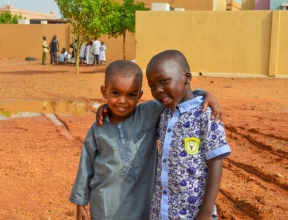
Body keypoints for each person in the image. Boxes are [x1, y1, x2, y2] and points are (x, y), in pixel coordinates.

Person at [70, 59, 222, 220]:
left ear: (139, 96)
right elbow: (85, 167)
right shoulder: (98, 128)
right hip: (104, 206)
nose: (122, 101)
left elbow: (177, 94)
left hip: (142, 206)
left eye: (130, 95)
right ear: (103, 92)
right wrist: (80, 203)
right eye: (115, 93)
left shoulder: (147, 113)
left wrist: (205, 94)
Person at [145, 50, 231, 220]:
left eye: (163, 81)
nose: (158, 90)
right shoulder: (164, 113)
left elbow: (215, 163)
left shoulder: (206, 114)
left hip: (193, 212)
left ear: (187, 78)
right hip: (161, 210)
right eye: (152, 85)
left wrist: (206, 212)